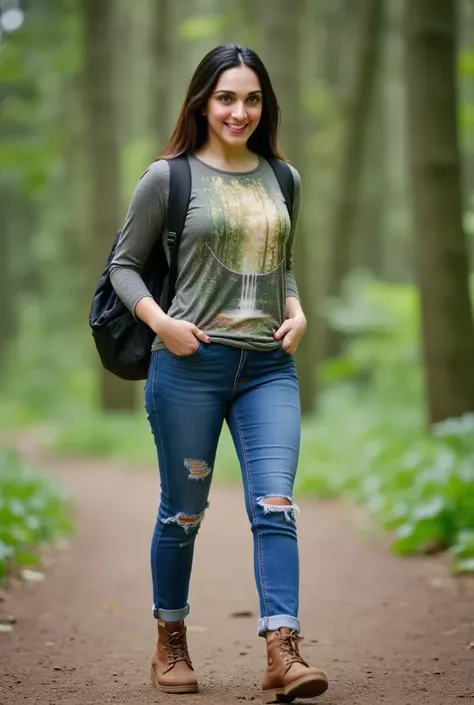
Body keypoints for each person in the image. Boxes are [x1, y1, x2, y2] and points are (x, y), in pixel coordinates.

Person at [109, 43, 328, 703]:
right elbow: (123, 265)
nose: (240, 110)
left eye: (252, 98)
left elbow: (279, 260)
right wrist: (161, 322)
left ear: (266, 105)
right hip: (188, 366)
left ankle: (281, 649)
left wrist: (297, 308)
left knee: (276, 505)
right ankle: (170, 637)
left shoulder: (283, 176)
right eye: (226, 97)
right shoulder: (168, 178)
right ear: (203, 101)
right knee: (183, 513)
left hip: (268, 368)